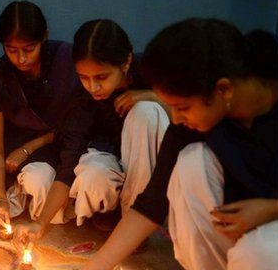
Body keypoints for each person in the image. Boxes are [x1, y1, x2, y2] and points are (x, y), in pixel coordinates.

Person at [41, 18, 278, 270]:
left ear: (223, 89)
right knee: (191, 163)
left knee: (258, 259)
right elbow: (151, 203)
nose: (176, 118)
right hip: (254, 215)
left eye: (181, 107)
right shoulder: (196, 121)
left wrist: (271, 209)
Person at [13, 19, 169, 243]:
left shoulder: (153, 71)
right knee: (92, 174)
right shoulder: (83, 102)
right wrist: (40, 223)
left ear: (126, 62)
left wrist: (150, 96)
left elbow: (201, 106)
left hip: (159, 170)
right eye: (84, 78)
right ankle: (111, 212)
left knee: (146, 112)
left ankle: (135, 223)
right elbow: (67, 169)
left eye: (101, 77)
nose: (93, 87)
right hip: (113, 163)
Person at [0, 0, 77, 227]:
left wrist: (29, 148)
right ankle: (17, 199)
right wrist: (0, 199)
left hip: (56, 146)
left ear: (44, 37)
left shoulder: (65, 62)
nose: (21, 58)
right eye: (12, 50)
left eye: (29, 49)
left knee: (38, 181)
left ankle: (40, 203)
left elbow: (77, 125)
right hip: (12, 153)